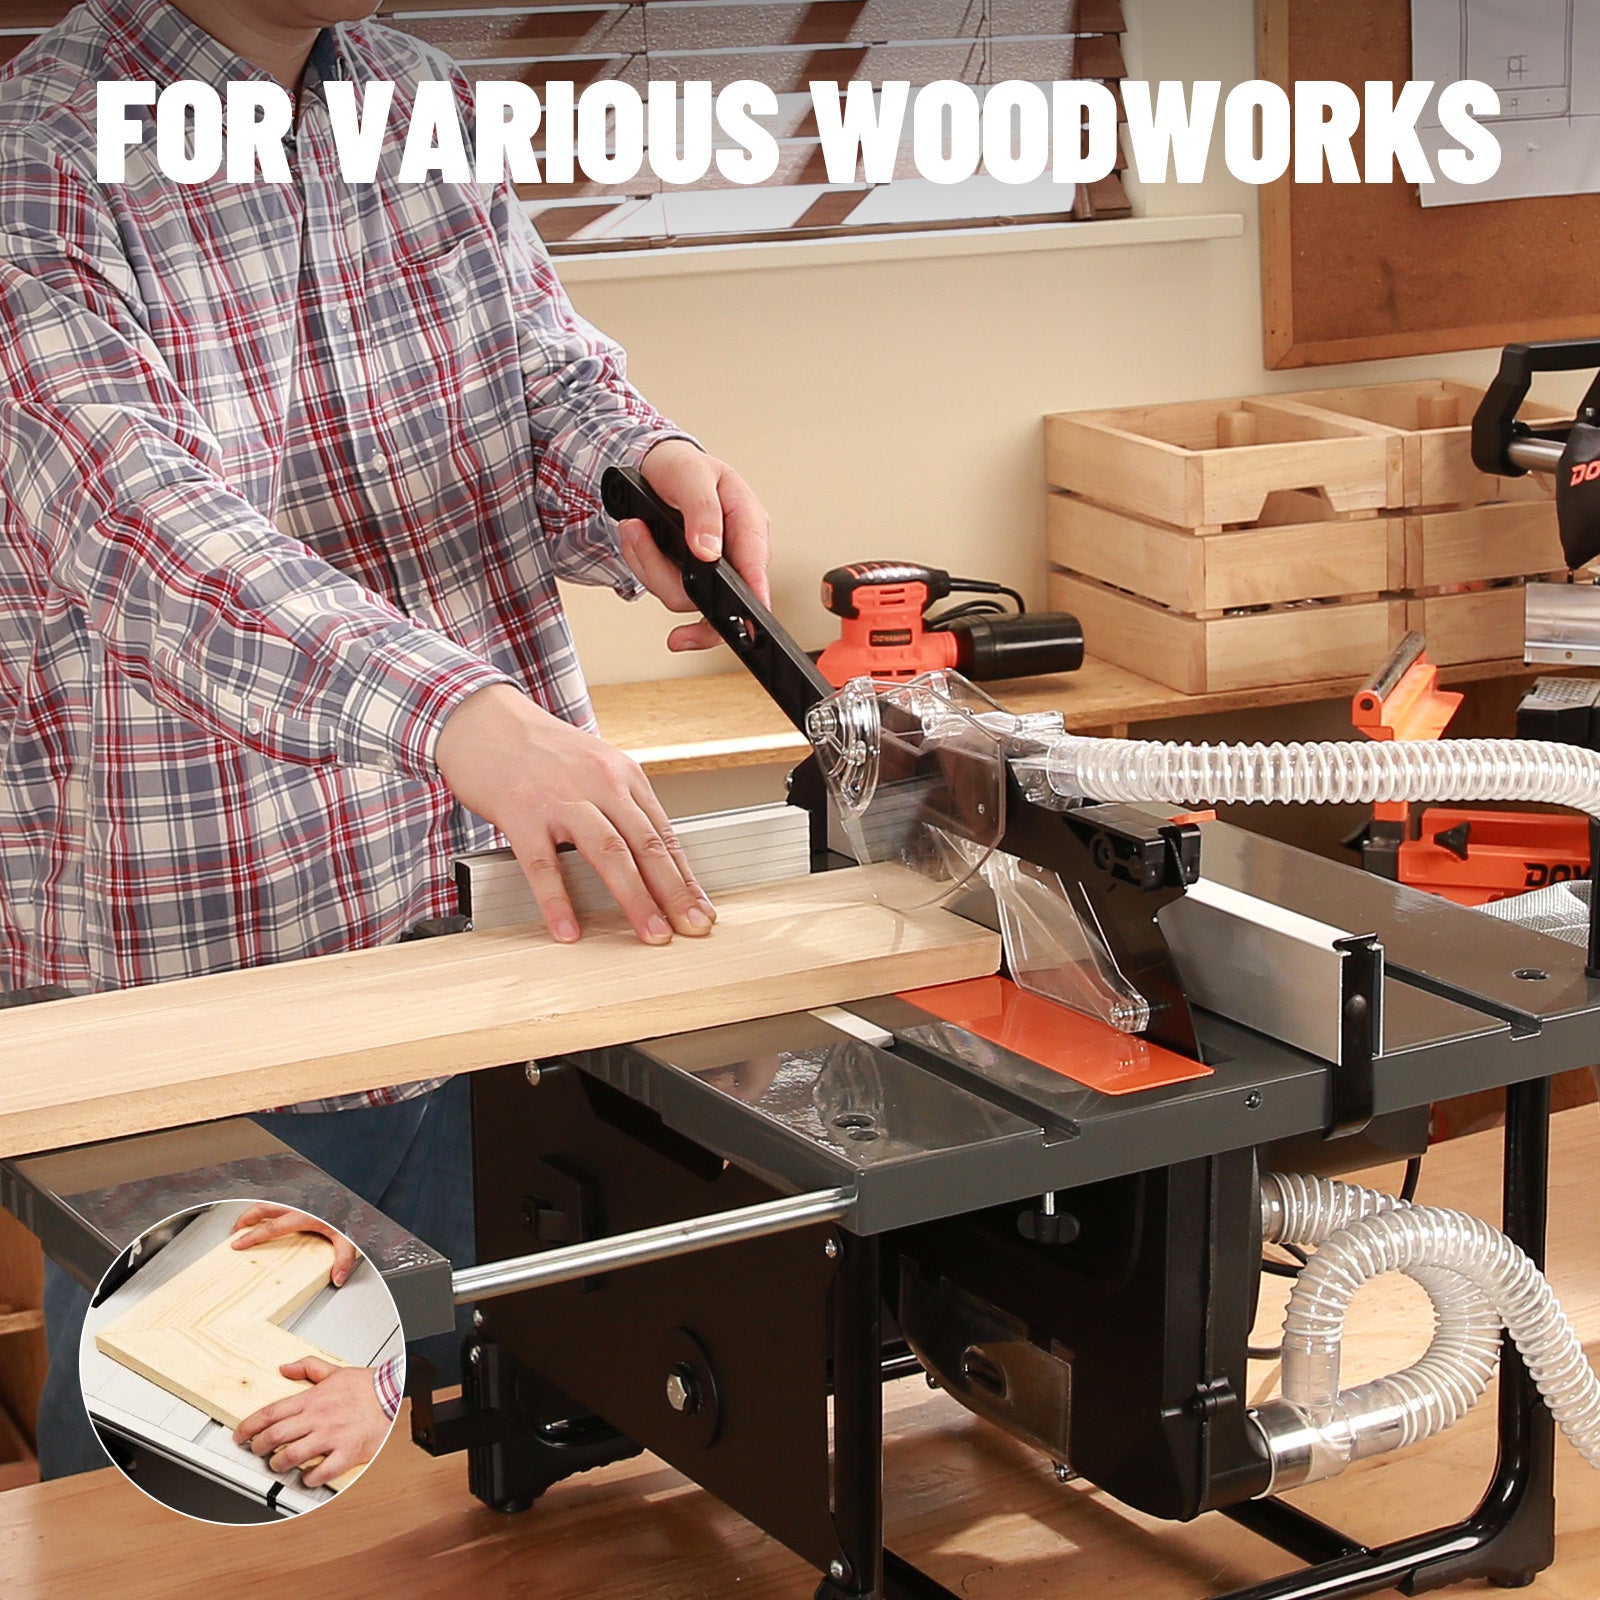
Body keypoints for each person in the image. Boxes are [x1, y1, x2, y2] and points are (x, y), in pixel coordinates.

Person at [0, 0, 772, 1477]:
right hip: (217, 996)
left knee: (502, 1491)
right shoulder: (39, 154)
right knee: (196, 1508)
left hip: (490, 947)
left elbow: (539, 367)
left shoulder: (414, 93)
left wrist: (633, 468)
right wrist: (461, 717)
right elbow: (134, 522)